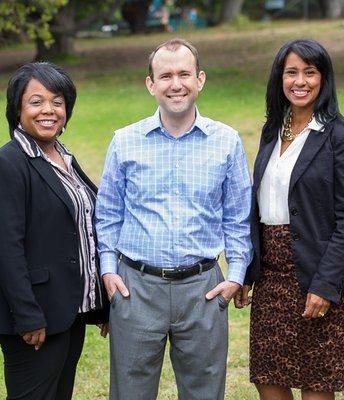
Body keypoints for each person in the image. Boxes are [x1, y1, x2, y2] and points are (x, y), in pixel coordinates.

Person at [95, 38, 253, 400]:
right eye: (165, 75)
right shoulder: (125, 141)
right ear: (151, 84)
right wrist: (108, 270)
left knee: (204, 392)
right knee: (130, 392)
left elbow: (237, 216)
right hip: (136, 287)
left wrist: (236, 275)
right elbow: (108, 215)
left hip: (203, 289)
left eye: (184, 73)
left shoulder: (226, 141)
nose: (176, 84)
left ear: (200, 79)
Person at [235, 39, 344, 400]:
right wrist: (247, 270)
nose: (300, 81)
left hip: (318, 275)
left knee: (316, 383)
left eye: (310, 72)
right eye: (291, 72)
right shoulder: (272, 130)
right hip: (272, 277)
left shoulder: (341, 135)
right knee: (268, 378)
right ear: (280, 78)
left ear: (324, 79)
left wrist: (325, 284)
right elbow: (260, 205)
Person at [0, 62, 109, 400]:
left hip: (69, 312)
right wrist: (28, 315)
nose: (49, 110)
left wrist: (102, 303)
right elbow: (6, 250)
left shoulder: (63, 157)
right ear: (17, 109)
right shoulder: (5, 166)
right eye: (36, 102)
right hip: (36, 319)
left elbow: (83, 233)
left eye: (58, 101)